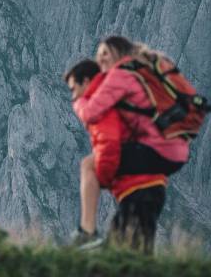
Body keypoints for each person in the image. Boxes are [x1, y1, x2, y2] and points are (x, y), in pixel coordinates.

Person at [65, 59, 168, 253]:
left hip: (140, 192)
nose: (73, 97)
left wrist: (103, 178)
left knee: (126, 261)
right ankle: (87, 233)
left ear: (86, 82)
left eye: (73, 89)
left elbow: (109, 147)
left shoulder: (100, 103)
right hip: (143, 191)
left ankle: (87, 232)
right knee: (125, 257)